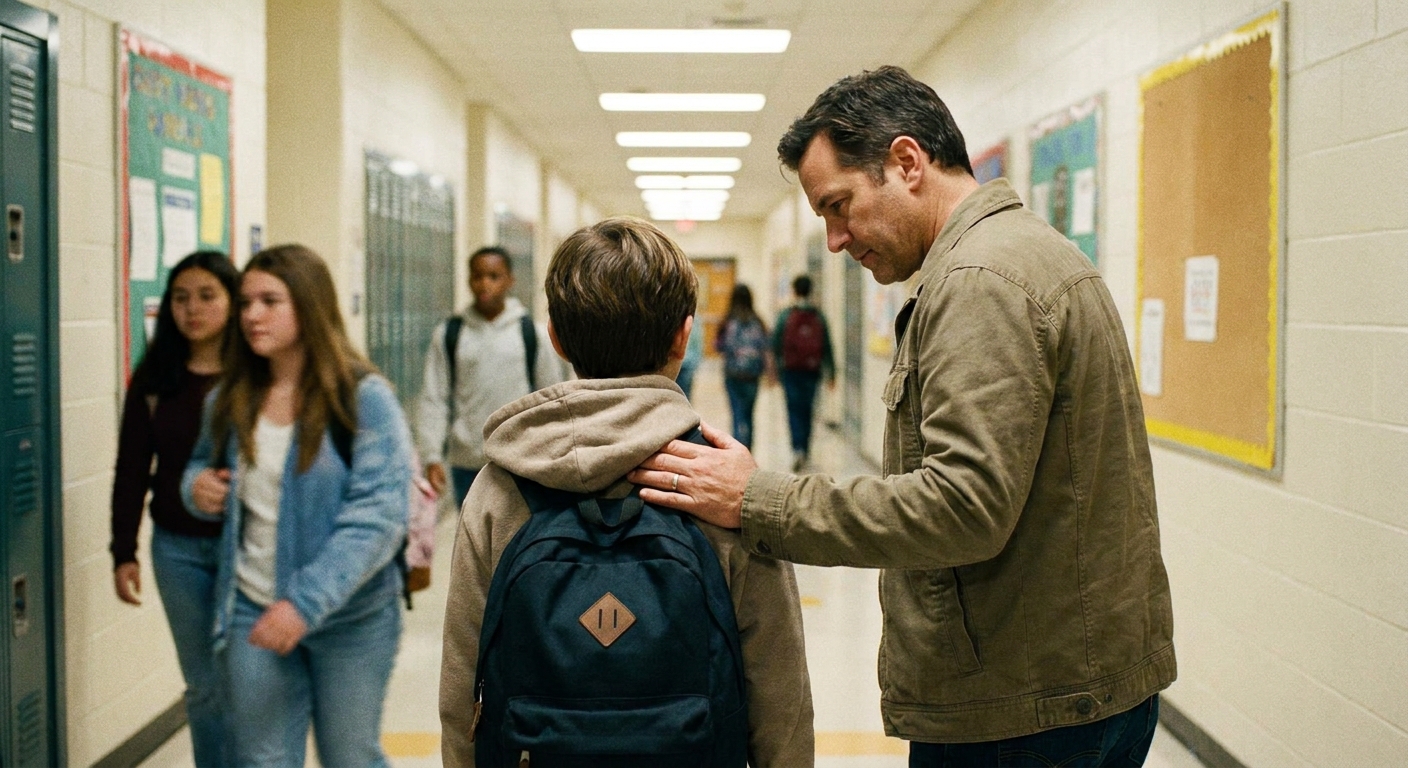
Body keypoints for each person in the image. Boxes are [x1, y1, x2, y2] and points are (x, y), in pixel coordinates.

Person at [630, 66, 1175, 766]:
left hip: (1023, 709)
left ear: (907, 162)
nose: (834, 239)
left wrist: (756, 499)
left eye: (838, 205)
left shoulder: (982, 282)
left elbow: (964, 506)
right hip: (1057, 681)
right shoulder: (1020, 256)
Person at [440, 217, 813, 768]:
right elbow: (779, 692)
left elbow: (460, 686)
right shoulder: (720, 481)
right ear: (683, 337)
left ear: (556, 338)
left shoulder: (502, 486)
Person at [183, 244, 413, 766]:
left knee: (349, 755)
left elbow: (378, 518)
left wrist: (304, 605)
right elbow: (199, 465)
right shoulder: (231, 396)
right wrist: (196, 488)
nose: (251, 315)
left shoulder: (363, 397)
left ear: (308, 306)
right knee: (261, 758)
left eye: (270, 301)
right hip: (253, 606)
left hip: (352, 617)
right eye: (245, 302)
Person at [110, 251, 239, 768]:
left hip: (245, 547)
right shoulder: (155, 380)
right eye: (181, 298)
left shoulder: (254, 378)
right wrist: (124, 552)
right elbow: (131, 468)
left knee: (247, 678)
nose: (193, 309)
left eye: (207, 296)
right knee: (204, 685)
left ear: (232, 302)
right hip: (177, 550)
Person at [416, 246, 568, 507]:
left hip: (519, 457)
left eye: (494, 276)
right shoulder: (450, 333)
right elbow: (435, 397)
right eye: (478, 276)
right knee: (473, 538)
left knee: (516, 539)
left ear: (510, 280)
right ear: (469, 280)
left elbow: (551, 395)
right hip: (467, 460)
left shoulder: (530, 334)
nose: (485, 284)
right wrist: (431, 455)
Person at [772, 274, 835, 471]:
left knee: (793, 409)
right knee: (808, 410)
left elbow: (775, 343)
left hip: (790, 371)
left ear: (794, 290)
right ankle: (805, 450)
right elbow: (827, 345)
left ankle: (796, 448)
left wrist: (775, 369)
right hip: (812, 371)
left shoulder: (786, 314)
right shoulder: (818, 316)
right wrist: (831, 373)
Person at [714, 283, 769, 448]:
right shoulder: (758, 321)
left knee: (736, 414)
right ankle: (749, 449)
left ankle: (737, 448)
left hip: (733, 375)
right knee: (749, 414)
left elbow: (718, 346)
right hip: (752, 375)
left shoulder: (727, 321)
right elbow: (765, 346)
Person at [674, 306, 706, 398]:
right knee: (684, 397)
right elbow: (698, 342)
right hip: (687, 362)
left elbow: (698, 342)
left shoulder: (694, 319)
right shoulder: (694, 318)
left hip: (684, 363)